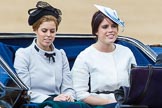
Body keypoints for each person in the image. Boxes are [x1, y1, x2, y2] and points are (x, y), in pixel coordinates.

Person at [71, 4, 137, 107]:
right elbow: (81, 95)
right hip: (99, 105)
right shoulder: (84, 57)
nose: (110, 30)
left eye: (114, 26)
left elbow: (135, 86)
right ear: (96, 31)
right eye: (105, 27)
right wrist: (111, 103)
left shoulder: (126, 52)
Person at [14, 1, 75, 104]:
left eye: (52, 31)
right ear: (35, 30)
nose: (48, 35)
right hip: (37, 103)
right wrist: (51, 99)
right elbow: (25, 92)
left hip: (60, 102)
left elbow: (68, 87)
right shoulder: (23, 54)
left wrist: (68, 97)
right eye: (44, 30)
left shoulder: (61, 54)